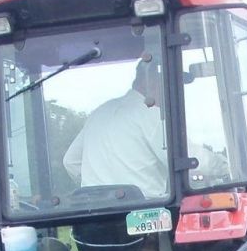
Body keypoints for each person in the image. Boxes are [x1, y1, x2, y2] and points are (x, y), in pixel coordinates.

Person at [62, 59, 169, 194]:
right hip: (145, 210)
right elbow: (182, 161)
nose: (166, 95)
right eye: (165, 86)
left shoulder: (99, 113)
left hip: (95, 210)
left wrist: (99, 187)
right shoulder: (150, 114)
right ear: (152, 83)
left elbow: (70, 161)